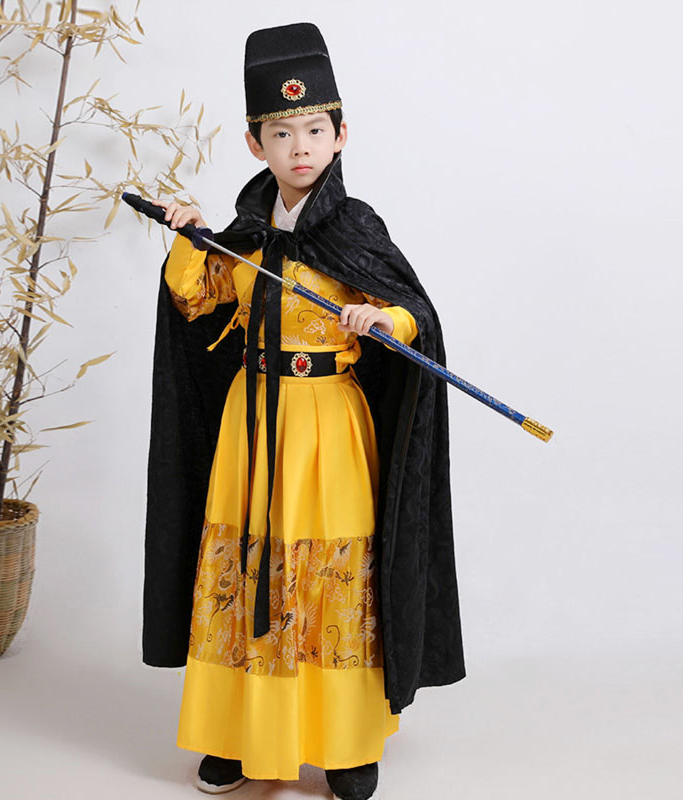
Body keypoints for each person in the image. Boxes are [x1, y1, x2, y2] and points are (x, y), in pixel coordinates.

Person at [142, 22, 465, 800]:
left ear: (341, 135)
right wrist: (189, 238)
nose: (299, 148)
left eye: (315, 130)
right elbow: (196, 300)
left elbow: (414, 310)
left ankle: (343, 742)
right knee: (244, 567)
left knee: (330, 574)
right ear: (255, 143)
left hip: (330, 425)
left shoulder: (356, 229)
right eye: (281, 134)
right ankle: (237, 735)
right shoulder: (244, 234)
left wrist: (386, 320)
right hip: (251, 424)